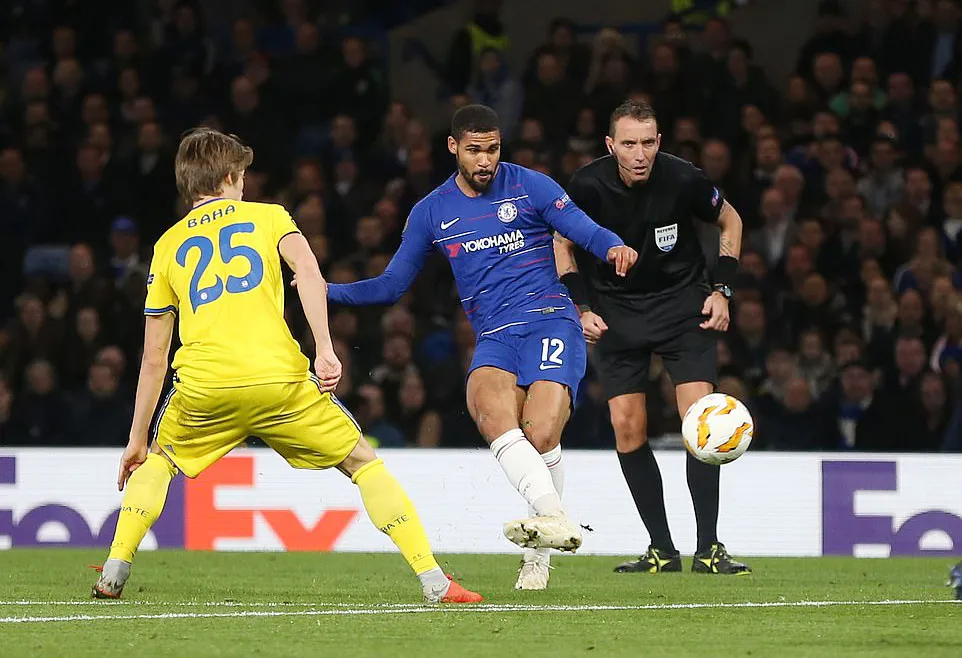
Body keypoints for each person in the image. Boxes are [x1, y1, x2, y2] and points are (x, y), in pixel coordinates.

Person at [91, 128, 482, 605]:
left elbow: (154, 357)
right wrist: (324, 347)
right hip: (280, 380)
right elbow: (309, 274)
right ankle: (435, 582)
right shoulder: (270, 217)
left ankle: (114, 570)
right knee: (363, 463)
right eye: (243, 176)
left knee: (161, 460)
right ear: (233, 176)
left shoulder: (167, 246)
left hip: (205, 387)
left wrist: (136, 439)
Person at [316, 104, 637, 590]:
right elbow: (389, 286)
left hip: (551, 319)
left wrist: (613, 245)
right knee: (485, 406)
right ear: (453, 148)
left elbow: (584, 230)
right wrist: (322, 291)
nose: (485, 160)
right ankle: (555, 519)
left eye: (492, 149)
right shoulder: (431, 211)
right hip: (495, 335)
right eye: (474, 150)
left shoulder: (531, 185)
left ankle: (539, 556)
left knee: (543, 432)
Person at [554, 100, 750, 575]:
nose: (639, 153)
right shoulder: (586, 184)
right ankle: (661, 548)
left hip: (683, 306)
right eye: (628, 144)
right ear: (610, 145)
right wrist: (579, 308)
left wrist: (721, 291)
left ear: (659, 142)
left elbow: (732, 221)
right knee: (627, 427)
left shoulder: (683, 178)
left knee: (700, 420)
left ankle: (709, 548)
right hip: (616, 312)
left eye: (647, 142)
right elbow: (561, 241)